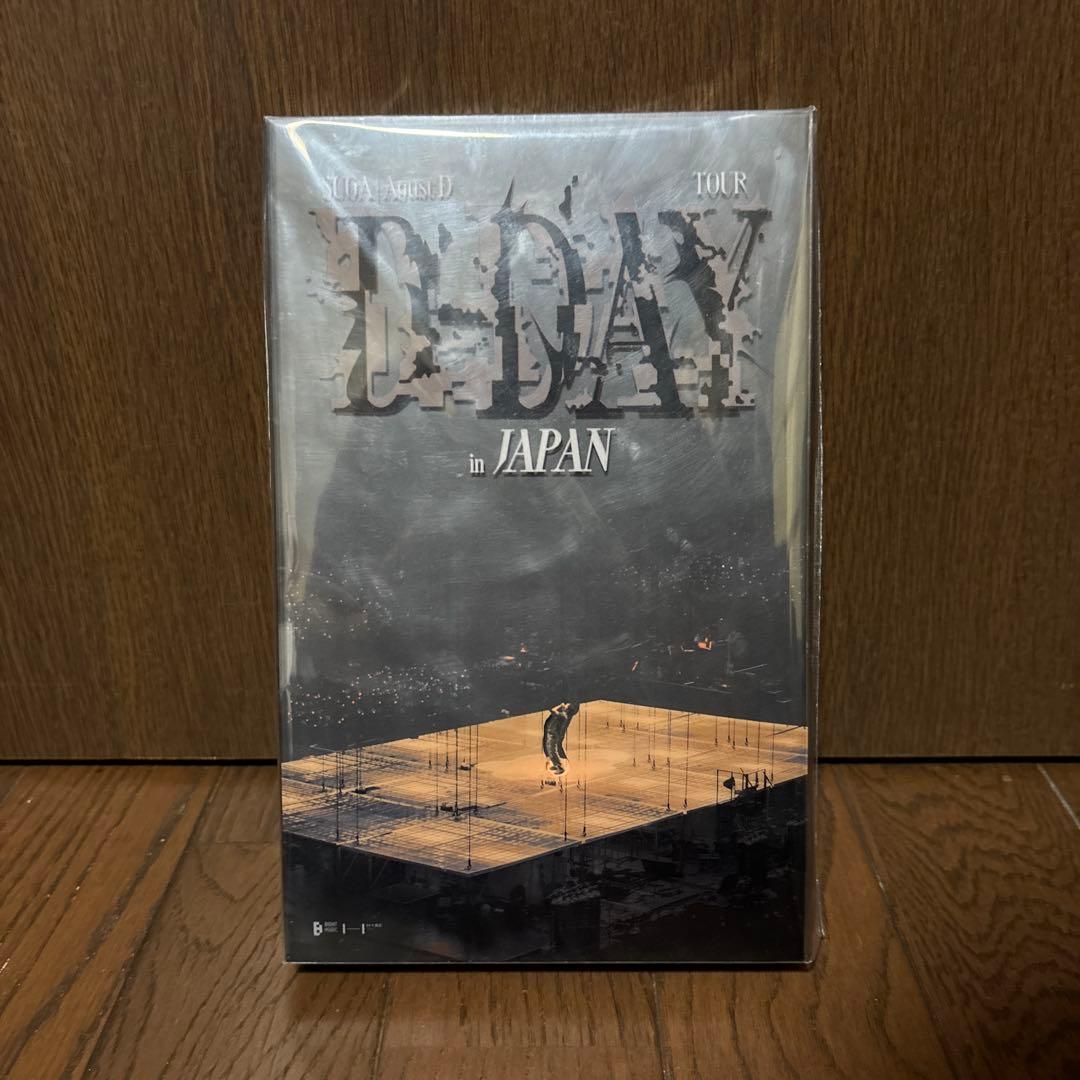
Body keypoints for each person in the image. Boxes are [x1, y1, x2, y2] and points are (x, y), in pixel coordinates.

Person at [542, 701, 580, 774]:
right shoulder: (552, 756)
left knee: (554, 739)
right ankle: (564, 711)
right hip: (564, 710)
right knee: (553, 739)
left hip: (566, 710)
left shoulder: (551, 755)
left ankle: (565, 711)